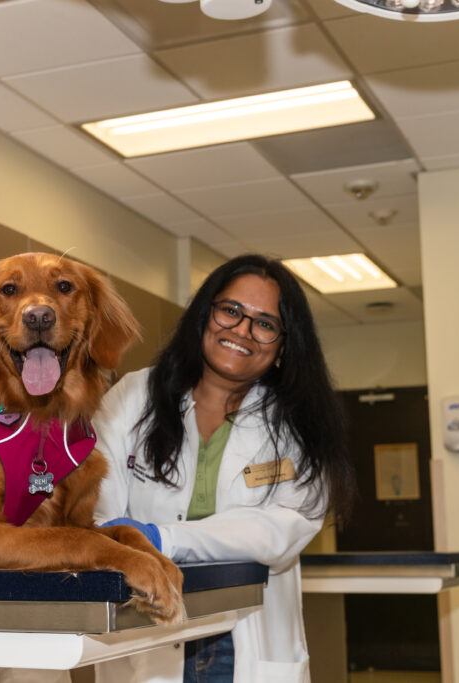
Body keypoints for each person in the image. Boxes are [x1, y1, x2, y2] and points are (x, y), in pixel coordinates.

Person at [93, 253, 354, 682]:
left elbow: (279, 531)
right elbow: (98, 507)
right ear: (205, 314)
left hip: (243, 638)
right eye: (231, 310)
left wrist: (162, 538)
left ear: (283, 344)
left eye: (265, 323)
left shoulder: (300, 421)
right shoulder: (133, 397)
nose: (242, 331)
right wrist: (121, 538)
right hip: (147, 633)